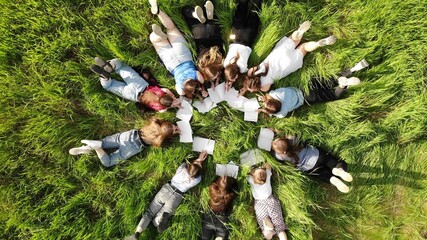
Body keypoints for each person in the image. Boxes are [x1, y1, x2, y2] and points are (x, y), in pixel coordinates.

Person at [128, 151, 208, 239]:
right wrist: (200, 163)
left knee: (149, 213)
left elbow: (187, 163)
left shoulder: (181, 169)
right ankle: (159, 220)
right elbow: (196, 172)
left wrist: (198, 159)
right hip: (177, 196)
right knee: (155, 222)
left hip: (166, 190)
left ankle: (138, 232)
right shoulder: (196, 180)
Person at [242, 21, 337, 93]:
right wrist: (247, 84)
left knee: (304, 47)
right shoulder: (252, 71)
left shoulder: (264, 88)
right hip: (279, 54)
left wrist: (250, 89)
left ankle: (317, 44)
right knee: (294, 39)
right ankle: (300, 31)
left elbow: (257, 88)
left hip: (288, 64)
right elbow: (250, 75)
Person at [256, 59, 368, 117]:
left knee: (332, 94)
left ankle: (343, 85)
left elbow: (274, 112)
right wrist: (265, 99)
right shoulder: (278, 94)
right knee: (330, 80)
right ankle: (353, 69)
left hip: (308, 98)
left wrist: (263, 109)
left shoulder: (282, 112)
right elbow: (270, 95)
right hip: (306, 87)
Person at [148, 0, 207, 100]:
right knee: (154, 40)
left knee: (171, 28)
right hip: (171, 63)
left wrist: (203, 89)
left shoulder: (198, 78)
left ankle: (158, 12)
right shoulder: (181, 89)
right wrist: (194, 94)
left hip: (183, 55)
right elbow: (183, 94)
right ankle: (157, 36)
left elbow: (200, 78)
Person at [68, 118, 179, 167]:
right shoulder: (159, 140)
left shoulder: (155, 123)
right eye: (174, 128)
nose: (175, 127)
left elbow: (162, 125)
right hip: (132, 147)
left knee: (104, 142)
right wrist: (175, 133)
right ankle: (97, 148)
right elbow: (158, 144)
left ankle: (88, 147)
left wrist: (170, 128)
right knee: (108, 162)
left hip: (128, 135)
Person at [90, 57, 181, 112]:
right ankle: (105, 77)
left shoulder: (160, 92)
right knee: (109, 86)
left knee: (121, 67)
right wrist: (171, 106)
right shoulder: (160, 107)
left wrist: (173, 98)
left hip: (140, 84)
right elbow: (163, 110)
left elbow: (166, 90)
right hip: (132, 95)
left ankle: (111, 65)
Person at [271, 135, 353, 193]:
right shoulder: (292, 138)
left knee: (325, 176)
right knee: (337, 163)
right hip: (317, 156)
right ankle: (338, 170)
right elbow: (290, 136)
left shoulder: (280, 156)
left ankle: (333, 180)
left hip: (310, 168)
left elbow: (277, 152)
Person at [182, 1, 225, 88]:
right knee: (185, 11)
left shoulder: (220, 61)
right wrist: (212, 81)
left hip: (213, 32)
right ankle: (194, 15)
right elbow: (206, 77)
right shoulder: (201, 64)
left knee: (210, 12)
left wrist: (215, 80)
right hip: (200, 36)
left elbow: (218, 73)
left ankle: (208, 14)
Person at [224, 0, 262, 91]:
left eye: (235, 78)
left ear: (237, 75)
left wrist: (232, 81)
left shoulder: (242, 68)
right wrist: (229, 79)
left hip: (247, 38)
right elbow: (230, 70)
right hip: (235, 36)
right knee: (241, 10)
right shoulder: (226, 64)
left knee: (254, 14)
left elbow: (246, 73)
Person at [247, 163, 288, 240]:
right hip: (270, 200)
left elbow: (248, 173)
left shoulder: (251, 180)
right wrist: (263, 167)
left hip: (259, 204)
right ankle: (279, 232)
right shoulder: (267, 176)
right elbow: (268, 165)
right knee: (279, 227)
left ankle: (267, 227)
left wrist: (253, 171)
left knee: (262, 221)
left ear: (254, 178)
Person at [201, 175, 238, 240]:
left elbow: (213, 182)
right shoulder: (231, 195)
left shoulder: (213, 190)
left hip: (210, 217)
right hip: (222, 221)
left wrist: (219, 179)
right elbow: (236, 188)